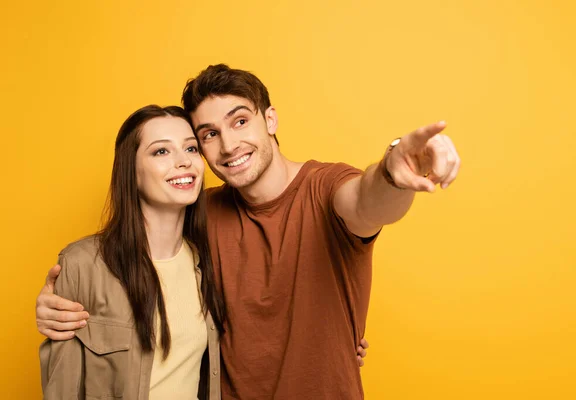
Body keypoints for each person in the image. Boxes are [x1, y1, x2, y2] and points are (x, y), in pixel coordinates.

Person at [36, 64, 460, 399]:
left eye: (240, 122)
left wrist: (392, 172)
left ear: (270, 119)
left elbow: (367, 202)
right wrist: (60, 300)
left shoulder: (325, 188)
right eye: (209, 134)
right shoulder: (199, 212)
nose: (228, 145)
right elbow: (133, 263)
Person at [39, 105, 225, 400]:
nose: (183, 162)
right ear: (131, 171)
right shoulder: (82, 265)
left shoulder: (210, 259)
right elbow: (61, 390)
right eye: (161, 152)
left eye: (190, 149)